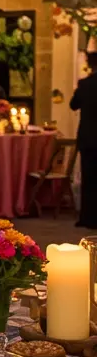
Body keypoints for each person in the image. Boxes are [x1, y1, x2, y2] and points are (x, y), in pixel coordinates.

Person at [71, 51, 97, 228]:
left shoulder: (85, 84)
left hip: (88, 138)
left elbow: (73, 105)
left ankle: (87, 218)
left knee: (88, 178)